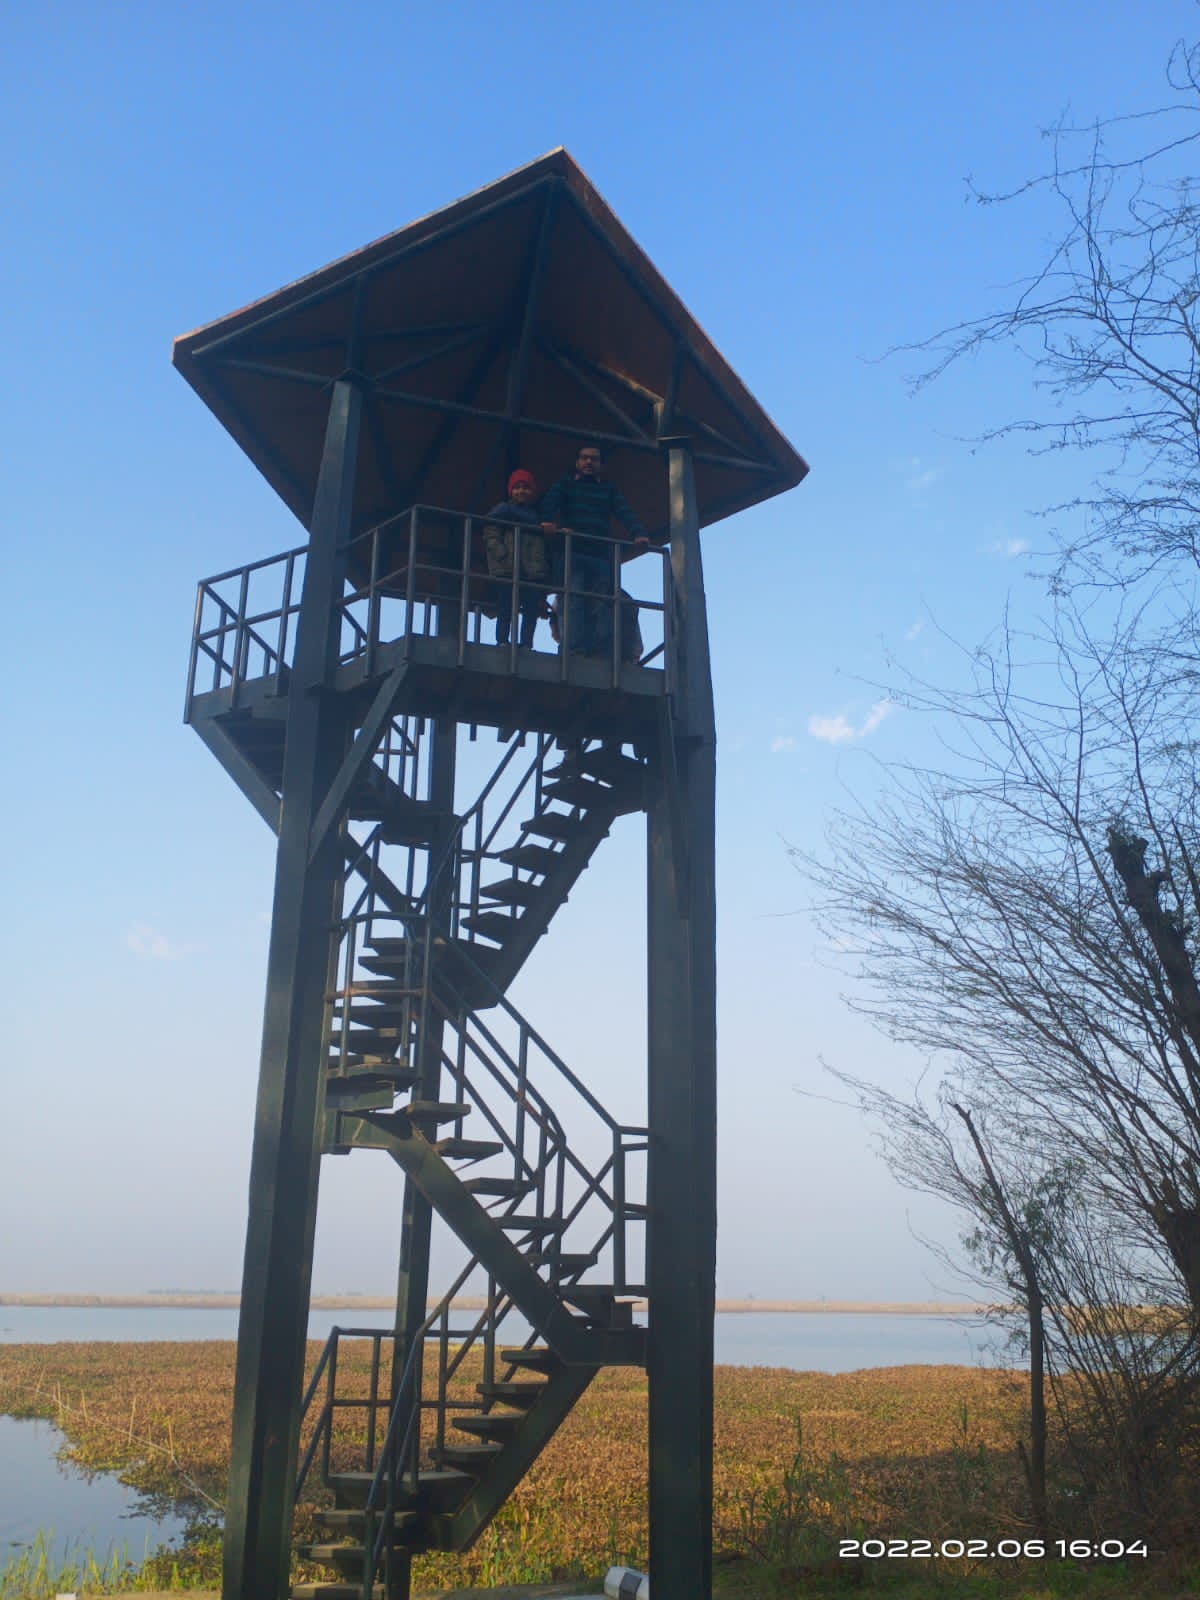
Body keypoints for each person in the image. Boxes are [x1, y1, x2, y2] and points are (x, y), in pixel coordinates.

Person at [540, 443, 649, 656]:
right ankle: (574, 649)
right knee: (573, 600)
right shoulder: (565, 485)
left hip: (598, 554)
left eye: (594, 459)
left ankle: (602, 650)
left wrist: (639, 532)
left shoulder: (608, 490)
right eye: (584, 458)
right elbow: (549, 503)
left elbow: (624, 511)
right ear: (577, 462)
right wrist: (546, 521)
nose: (589, 462)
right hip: (573, 552)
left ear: (601, 465)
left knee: (601, 603)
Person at [483, 469, 549, 649]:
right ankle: (503, 641)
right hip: (507, 569)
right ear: (511, 490)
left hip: (530, 571)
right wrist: (502, 554)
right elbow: (491, 533)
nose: (521, 491)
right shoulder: (503, 510)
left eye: (526, 488)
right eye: (517, 487)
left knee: (531, 610)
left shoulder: (537, 517)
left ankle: (526, 643)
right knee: (506, 607)